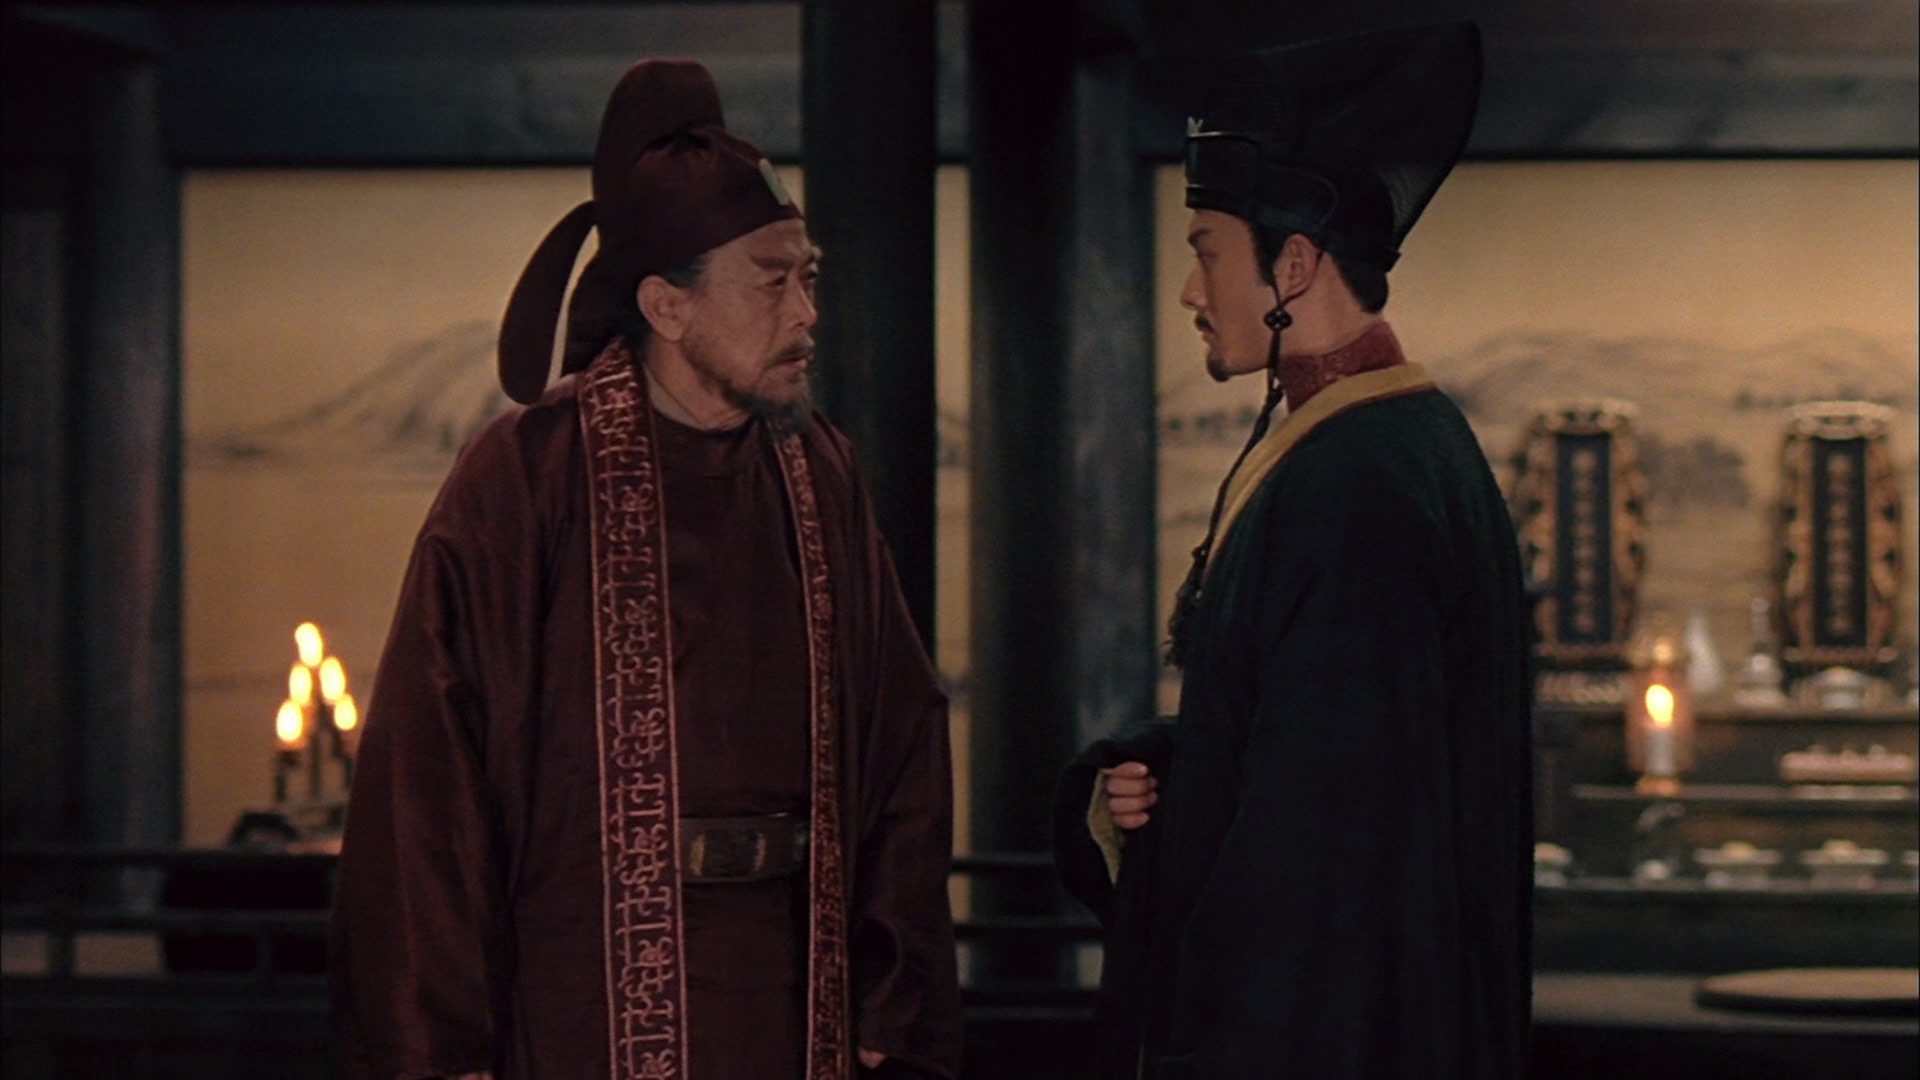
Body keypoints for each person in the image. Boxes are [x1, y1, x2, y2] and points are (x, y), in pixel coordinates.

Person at [331, 59, 961, 1080]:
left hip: (795, 989)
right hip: (575, 993)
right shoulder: (528, 474)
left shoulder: (817, 469)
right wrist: (443, 1043)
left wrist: (893, 992)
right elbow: (427, 771)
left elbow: (902, 742)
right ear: (667, 306)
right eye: (773, 283)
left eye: (809, 279)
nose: (807, 313)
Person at [1052, 23, 1532, 1080]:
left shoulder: (1363, 483)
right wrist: (1166, 773)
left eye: (1206, 251)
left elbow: (1323, 852)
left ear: (1295, 265)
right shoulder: (1378, 448)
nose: (1191, 291)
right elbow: (1315, 751)